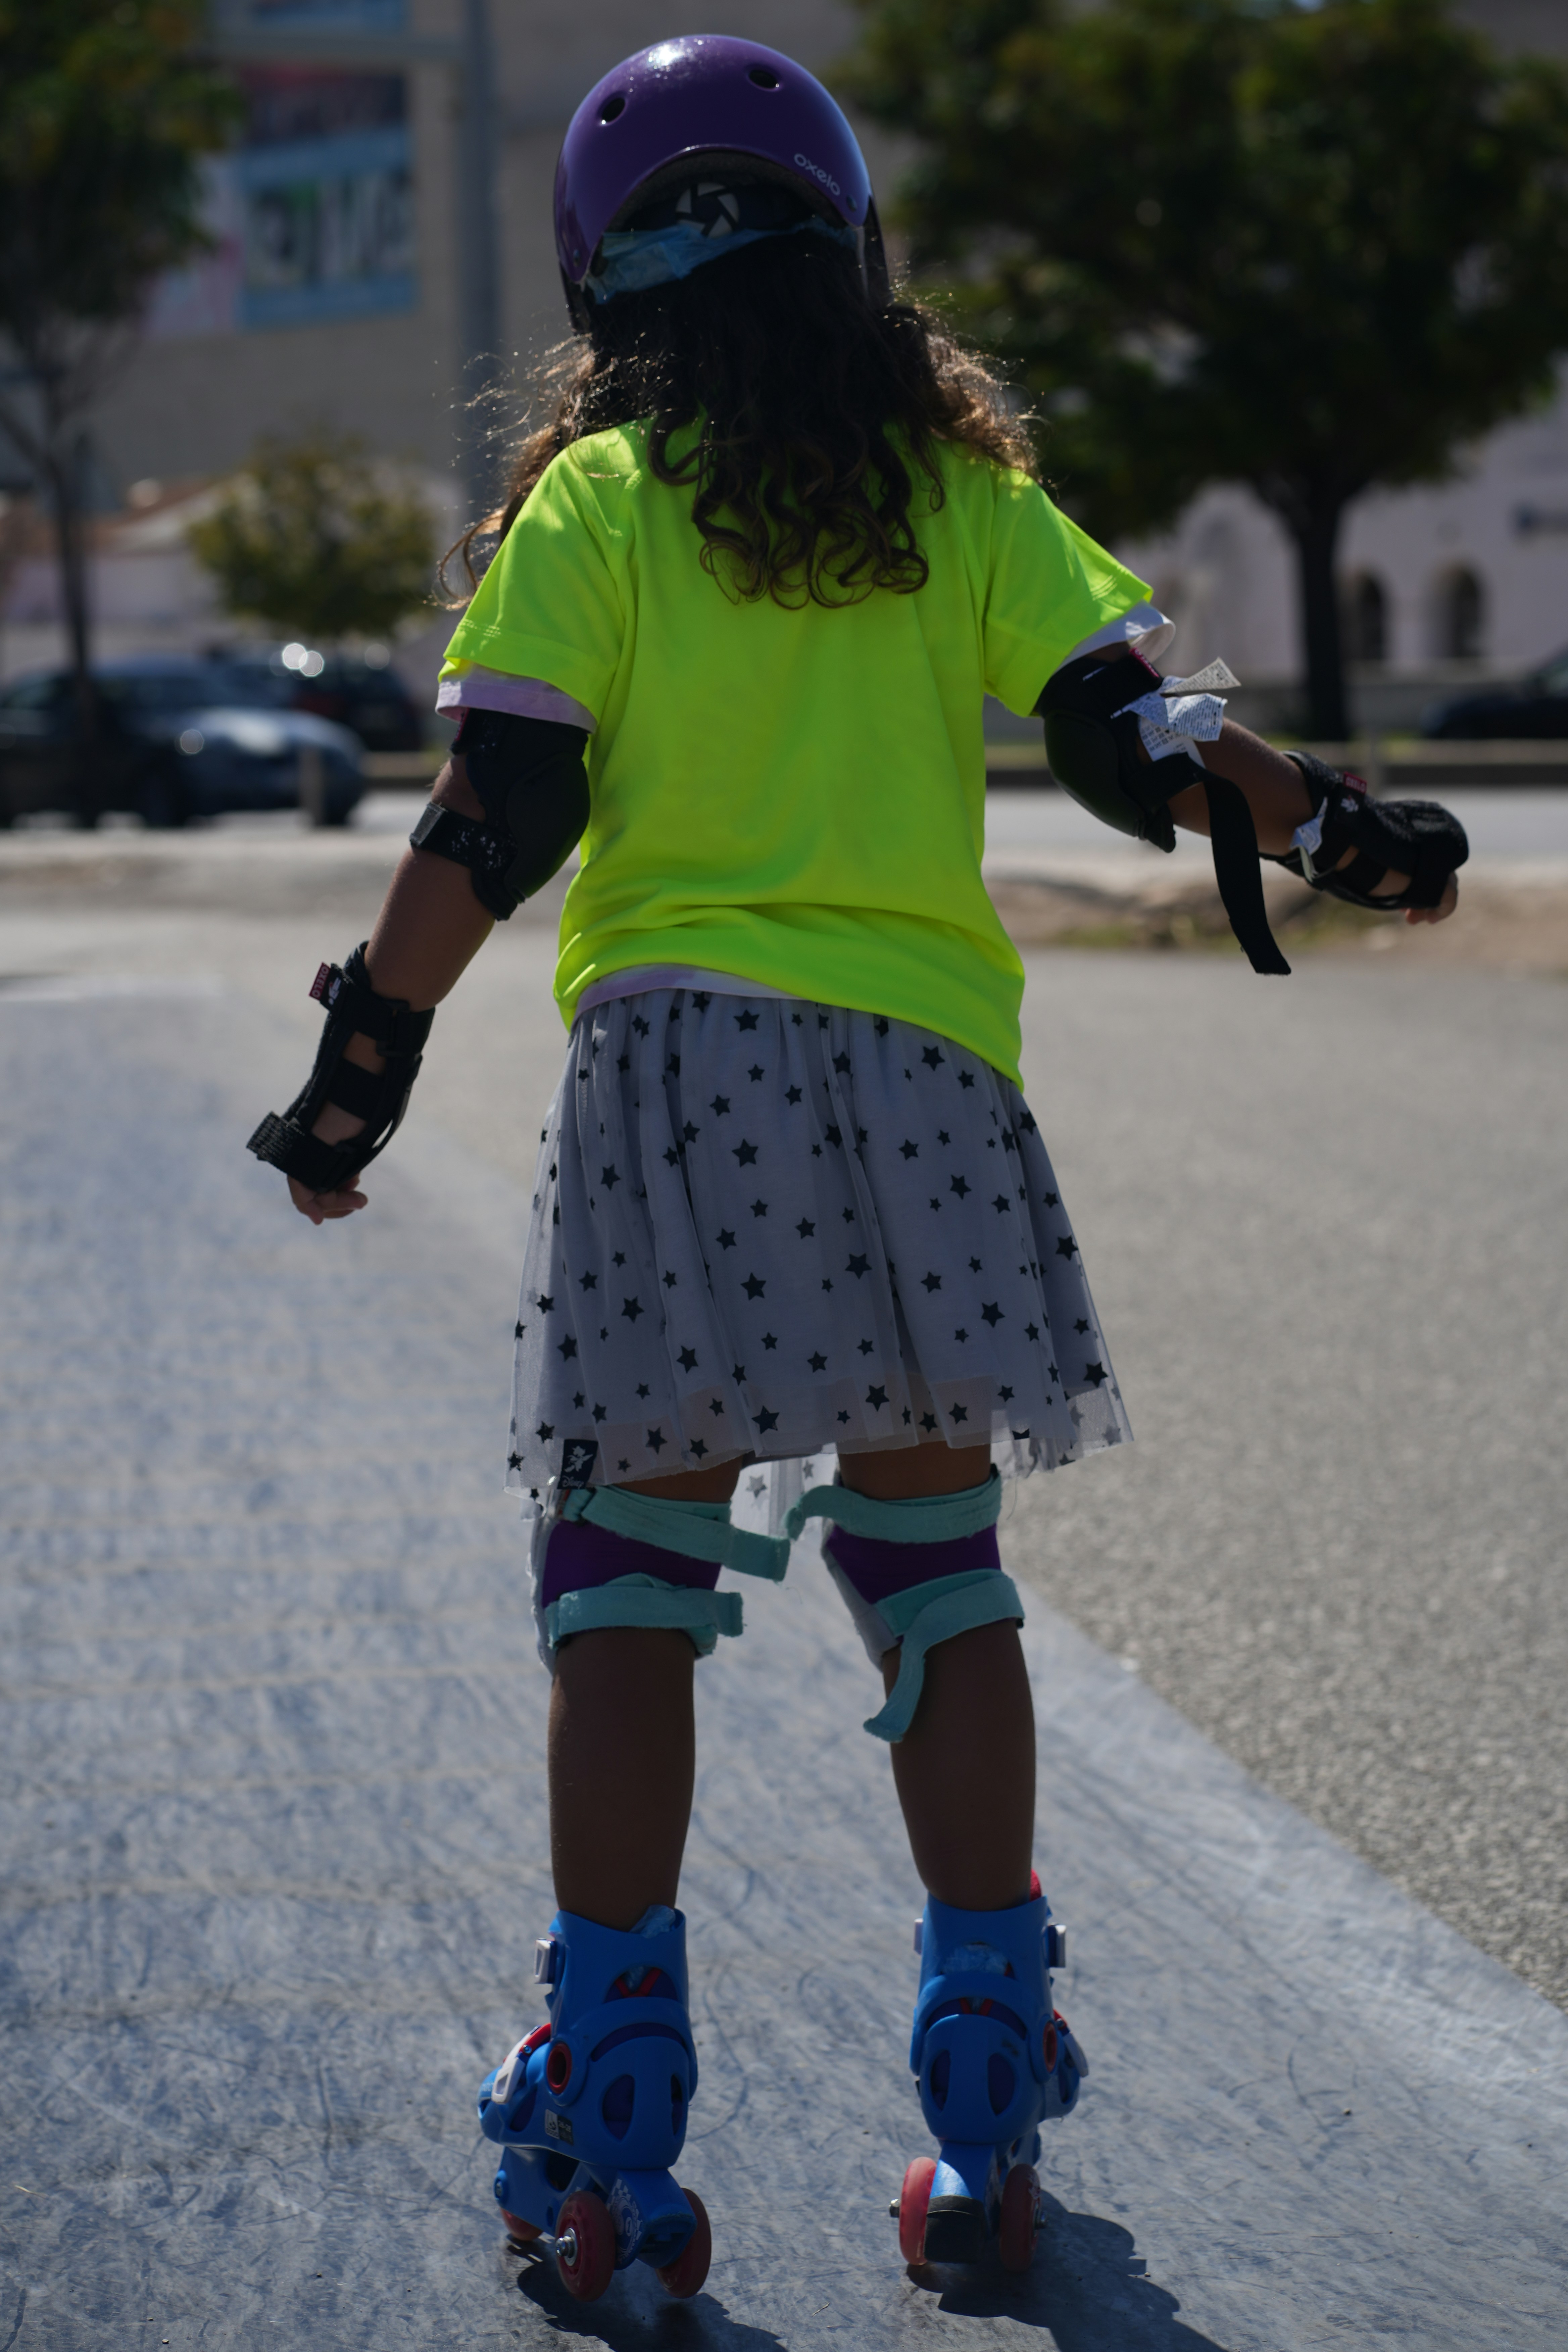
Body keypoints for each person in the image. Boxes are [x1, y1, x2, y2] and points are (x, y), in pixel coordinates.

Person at [247, 36, 1465, 2301]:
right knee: (935, 1586)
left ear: (603, 286)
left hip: (674, 1096)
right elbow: (1144, 744)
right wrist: (1342, 828)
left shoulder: (591, 509)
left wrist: (357, 1080)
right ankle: (990, 2088)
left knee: (622, 1594)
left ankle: (611, 2119)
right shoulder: (956, 502)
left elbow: (489, 824)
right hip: (924, 1092)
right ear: (857, 257)